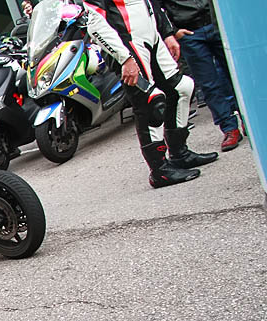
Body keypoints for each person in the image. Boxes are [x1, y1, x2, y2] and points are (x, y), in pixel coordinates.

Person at [84, 0, 219, 187]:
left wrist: (167, 33)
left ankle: (180, 154)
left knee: (182, 88)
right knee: (150, 102)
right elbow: (95, 22)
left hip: (151, 36)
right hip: (128, 44)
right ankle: (159, 170)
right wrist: (124, 58)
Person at [160, 0, 243, 151]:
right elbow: (154, 8)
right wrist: (172, 31)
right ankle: (229, 128)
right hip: (190, 32)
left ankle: (248, 118)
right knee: (209, 84)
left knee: (238, 74)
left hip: (217, 22)